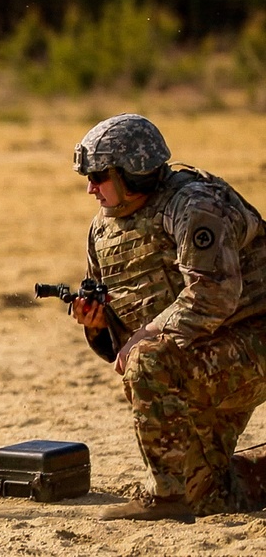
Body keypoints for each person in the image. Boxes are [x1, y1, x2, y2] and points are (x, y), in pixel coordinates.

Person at [66, 113, 266, 521]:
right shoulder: (103, 231)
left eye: (100, 176)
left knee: (149, 360)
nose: (90, 188)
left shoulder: (194, 204)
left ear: (133, 173)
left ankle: (165, 498)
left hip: (252, 340)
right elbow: (123, 332)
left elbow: (214, 292)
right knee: (209, 498)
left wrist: (148, 334)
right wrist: (99, 325)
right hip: (198, 357)